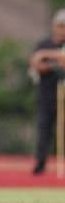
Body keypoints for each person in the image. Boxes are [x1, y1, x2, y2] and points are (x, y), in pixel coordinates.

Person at [28, 9, 65, 175]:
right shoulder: (44, 43)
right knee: (44, 130)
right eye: (60, 26)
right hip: (47, 95)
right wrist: (54, 60)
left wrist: (47, 57)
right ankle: (40, 164)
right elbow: (36, 63)